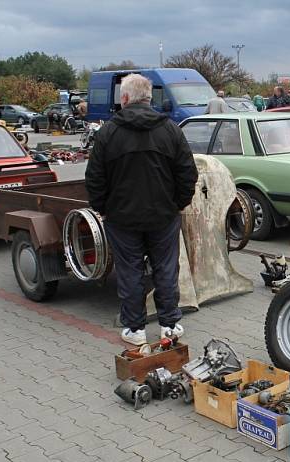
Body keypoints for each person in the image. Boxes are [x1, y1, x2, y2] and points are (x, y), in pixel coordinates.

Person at [85, 73, 198, 345]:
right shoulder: (171, 130)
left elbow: (94, 179)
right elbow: (187, 174)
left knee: (130, 271)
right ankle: (169, 324)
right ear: (149, 99)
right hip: (163, 215)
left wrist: (104, 208)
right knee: (166, 269)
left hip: (122, 218)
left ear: (124, 98)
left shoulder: (108, 134)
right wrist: (177, 204)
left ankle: (135, 329)